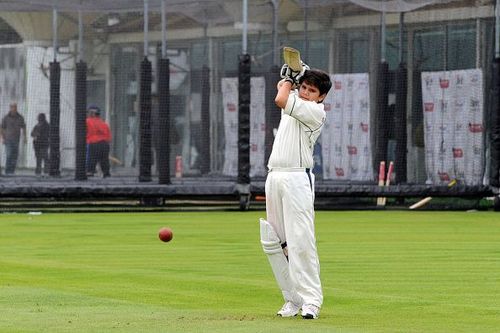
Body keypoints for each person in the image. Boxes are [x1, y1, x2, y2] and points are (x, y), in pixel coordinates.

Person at [259, 63, 332, 320]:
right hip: (274, 175)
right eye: (304, 88)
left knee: (300, 241)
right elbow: (283, 88)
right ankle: (292, 299)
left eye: (311, 90)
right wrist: (293, 75)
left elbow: (280, 96)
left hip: (297, 177)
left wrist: (292, 78)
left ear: (321, 96)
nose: (305, 93)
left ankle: (311, 301)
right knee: (275, 241)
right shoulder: (296, 98)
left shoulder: (314, 111)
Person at [0, 102, 27, 175]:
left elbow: (24, 127)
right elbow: (2, 128)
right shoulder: (6, 117)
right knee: (9, 155)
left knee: (15, 155)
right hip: (8, 140)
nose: (14, 108)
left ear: (16, 108)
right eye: (12, 107)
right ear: (10, 108)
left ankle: (12, 171)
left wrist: (25, 137)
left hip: (16, 140)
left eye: (15, 107)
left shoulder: (20, 117)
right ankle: (7, 171)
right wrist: (2, 138)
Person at [86, 105, 111, 177]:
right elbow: (109, 138)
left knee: (90, 164)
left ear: (92, 113)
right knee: (105, 162)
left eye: (88, 113)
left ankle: (90, 174)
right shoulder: (104, 124)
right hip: (105, 145)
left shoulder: (87, 121)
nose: (87, 114)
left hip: (93, 144)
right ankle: (106, 175)